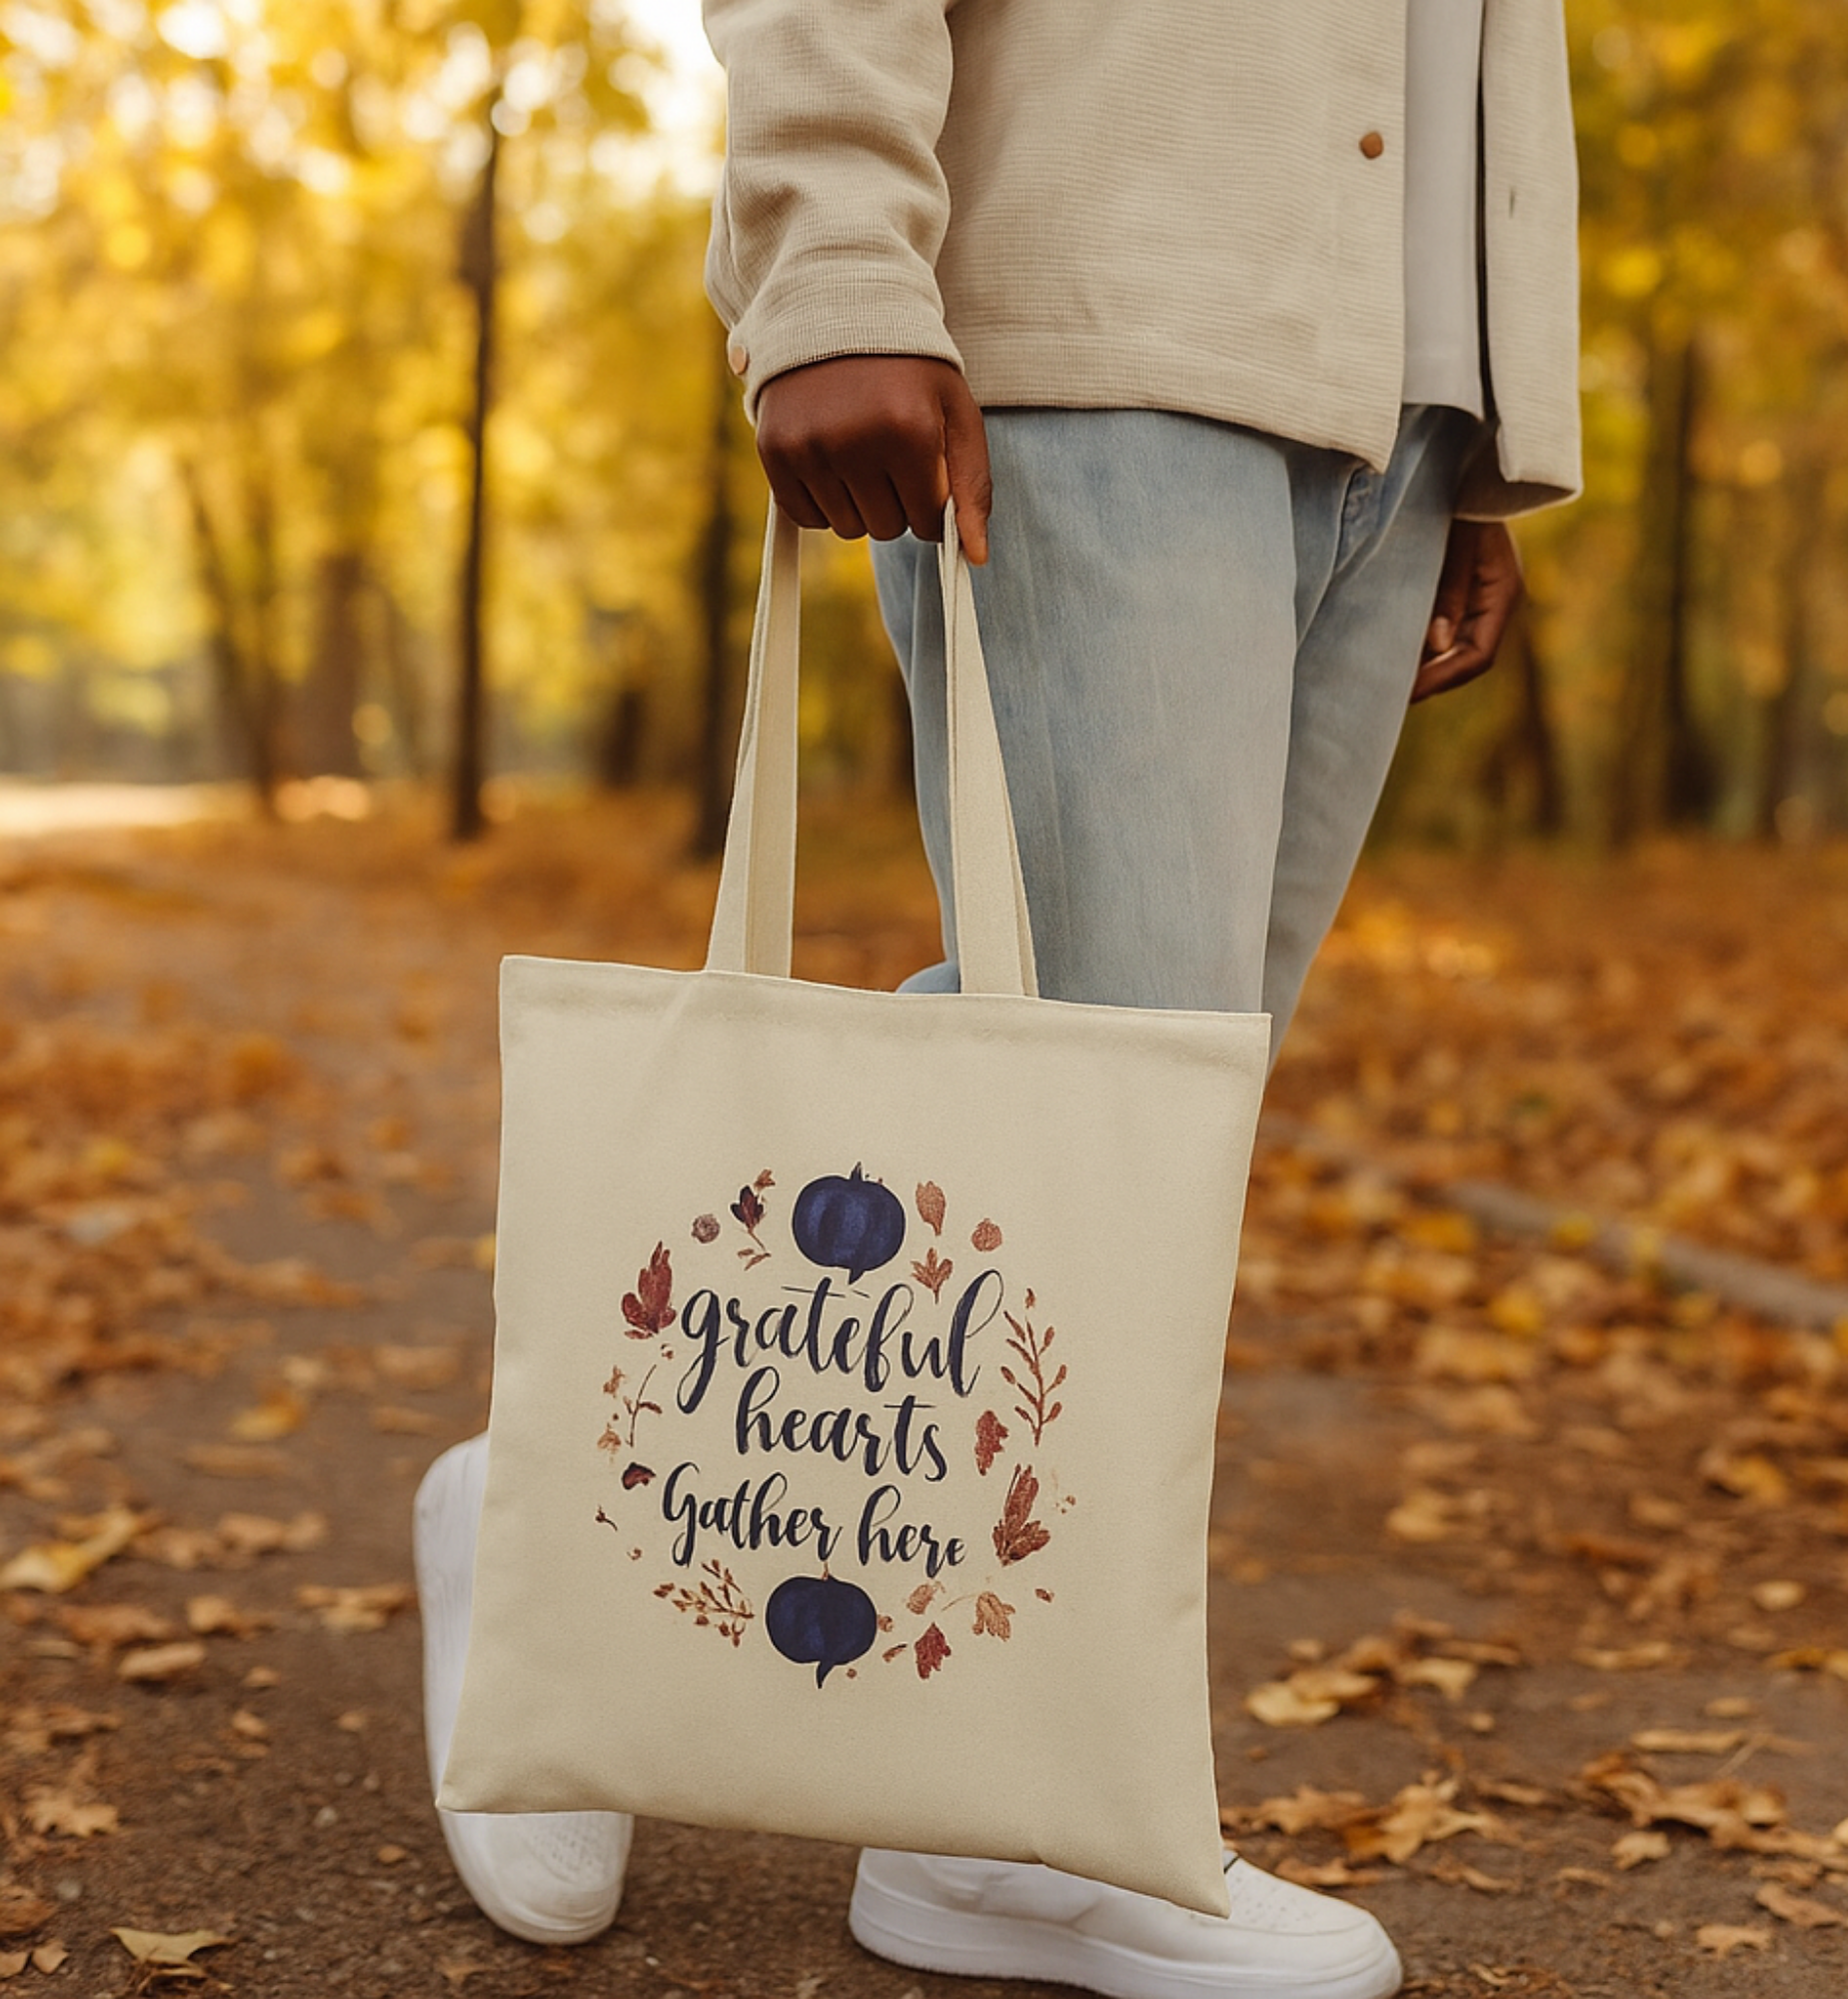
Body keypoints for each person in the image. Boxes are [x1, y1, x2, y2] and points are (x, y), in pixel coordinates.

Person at [414, 2, 1580, 1994]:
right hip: (1091, 316)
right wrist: (836, 259)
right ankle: (1012, 1821)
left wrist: (1484, 415)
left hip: (1383, 389)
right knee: (1107, 1077)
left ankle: (562, 1513)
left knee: (1135, 1113)